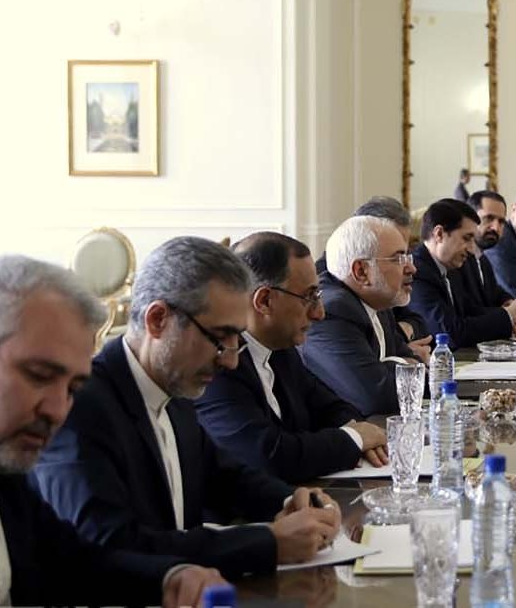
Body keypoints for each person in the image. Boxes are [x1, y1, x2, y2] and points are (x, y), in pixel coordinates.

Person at [31, 238, 342, 578]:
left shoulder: (175, 387)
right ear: (158, 320)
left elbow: (225, 476)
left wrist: (293, 501)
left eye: (237, 338)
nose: (232, 360)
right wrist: (268, 543)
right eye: (219, 338)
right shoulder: (82, 408)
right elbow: (110, 544)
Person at [0, 255, 225, 606]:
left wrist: (170, 577)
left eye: (73, 388)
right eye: (39, 376)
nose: (57, 410)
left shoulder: (6, 471)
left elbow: (73, 561)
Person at [194, 232, 388, 482]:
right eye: (309, 297)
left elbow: (331, 406)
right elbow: (269, 457)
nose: (319, 313)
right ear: (264, 301)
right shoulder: (220, 363)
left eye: (318, 297)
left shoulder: (281, 349)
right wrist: (356, 438)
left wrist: (361, 433)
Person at [301, 216, 426, 416]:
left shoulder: (379, 300)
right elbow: (377, 398)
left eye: (408, 257)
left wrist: (393, 366)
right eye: (398, 259)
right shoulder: (333, 312)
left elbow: (417, 365)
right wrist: (404, 365)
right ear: (361, 272)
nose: (411, 268)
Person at [317, 196, 430, 344]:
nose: (411, 268)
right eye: (397, 257)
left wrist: (399, 339)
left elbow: (419, 321)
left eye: (405, 252)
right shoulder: (333, 300)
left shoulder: (378, 291)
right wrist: (401, 348)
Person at [409, 199, 516, 347]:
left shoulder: (451, 268)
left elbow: (470, 312)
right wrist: (508, 314)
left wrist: (508, 318)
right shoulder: (416, 272)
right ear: (439, 234)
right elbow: (449, 334)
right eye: (466, 238)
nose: (471, 248)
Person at [459, 189, 516, 329]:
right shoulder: (458, 261)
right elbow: (469, 313)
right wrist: (510, 312)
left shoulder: (482, 258)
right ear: (470, 220)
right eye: (488, 218)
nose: (495, 227)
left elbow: (495, 293)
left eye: (501, 221)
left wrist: (507, 301)